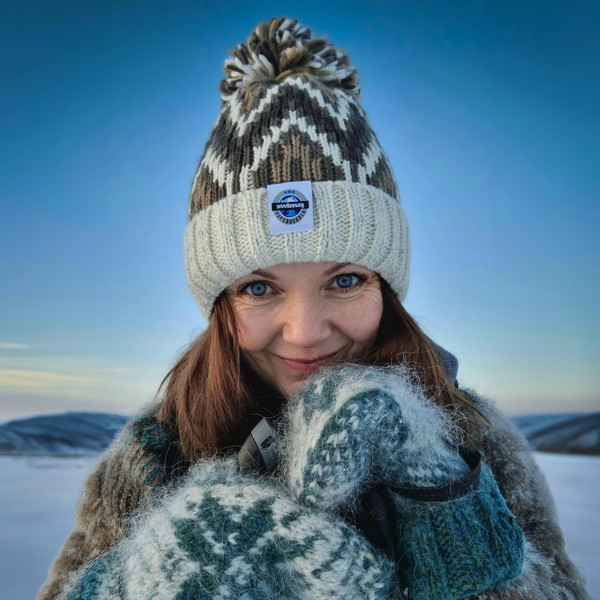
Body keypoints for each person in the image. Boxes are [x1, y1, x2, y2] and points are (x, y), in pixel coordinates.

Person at [37, 16, 588, 600]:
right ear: (219, 305)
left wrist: (442, 500)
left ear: (387, 291)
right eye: (258, 288)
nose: (304, 333)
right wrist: (135, 583)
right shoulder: (155, 453)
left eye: (344, 280)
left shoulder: (473, 438)